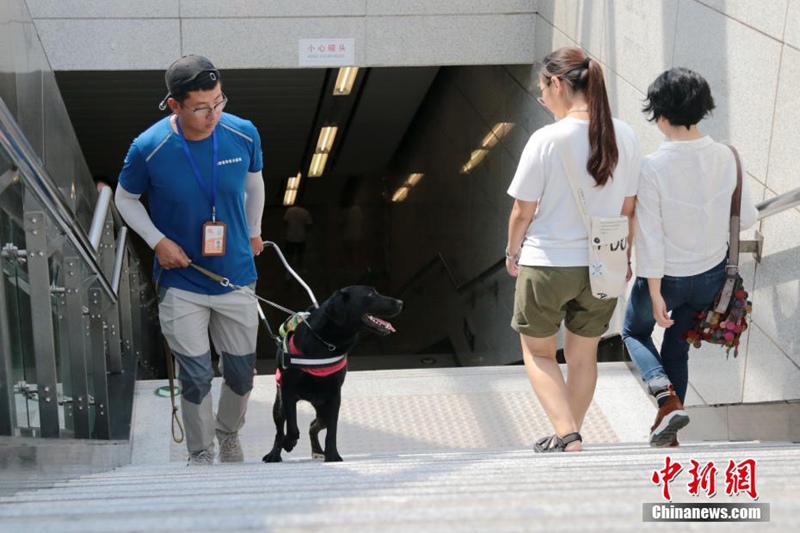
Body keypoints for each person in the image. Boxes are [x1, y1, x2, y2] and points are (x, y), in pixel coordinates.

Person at [115, 55, 265, 465]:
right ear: (174, 105)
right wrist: (157, 240)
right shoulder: (150, 148)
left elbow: (255, 184)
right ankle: (200, 452)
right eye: (201, 107)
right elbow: (124, 199)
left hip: (234, 276)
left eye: (219, 102)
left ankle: (228, 433)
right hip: (182, 280)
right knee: (197, 374)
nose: (213, 114)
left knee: (240, 373)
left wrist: (254, 230)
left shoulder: (243, 133)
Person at [505, 46, 640, 452]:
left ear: (558, 84)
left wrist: (512, 252)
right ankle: (569, 432)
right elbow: (629, 209)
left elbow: (521, 211)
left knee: (539, 352)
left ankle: (568, 435)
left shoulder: (545, 139)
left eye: (542, 89)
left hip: (548, 263)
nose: (542, 98)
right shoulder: (626, 135)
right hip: (604, 265)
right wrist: (623, 257)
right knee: (584, 356)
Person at [621, 67, 758, 447]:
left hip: (668, 277)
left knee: (633, 331)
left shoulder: (651, 167)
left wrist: (653, 291)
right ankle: (669, 430)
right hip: (712, 276)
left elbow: (649, 238)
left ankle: (665, 397)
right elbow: (746, 217)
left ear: (661, 116)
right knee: (677, 348)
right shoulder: (729, 156)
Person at [283, 204, 312, 271]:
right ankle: (299, 270)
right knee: (300, 256)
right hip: (301, 238)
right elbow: (309, 224)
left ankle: (288, 273)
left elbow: (285, 221)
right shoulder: (305, 212)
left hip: (290, 237)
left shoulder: (289, 211)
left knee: (289, 256)